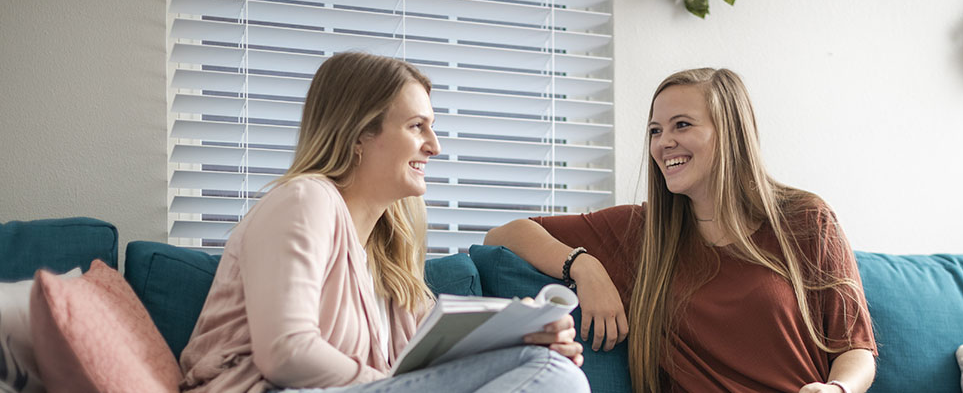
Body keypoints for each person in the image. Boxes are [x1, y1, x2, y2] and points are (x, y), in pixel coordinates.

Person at [178, 52, 589, 393]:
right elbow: (287, 352)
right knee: (552, 375)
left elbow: (436, 362)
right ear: (358, 134)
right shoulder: (305, 199)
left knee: (548, 363)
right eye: (417, 126)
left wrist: (524, 333)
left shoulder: (386, 256)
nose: (434, 145)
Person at [485, 68, 877, 393]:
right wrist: (583, 266)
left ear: (730, 132)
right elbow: (503, 235)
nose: (663, 143)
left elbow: (855, 348)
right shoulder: (641, 232)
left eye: (682, 125)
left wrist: (838, 388)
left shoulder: (806, 219)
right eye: (655, 130)